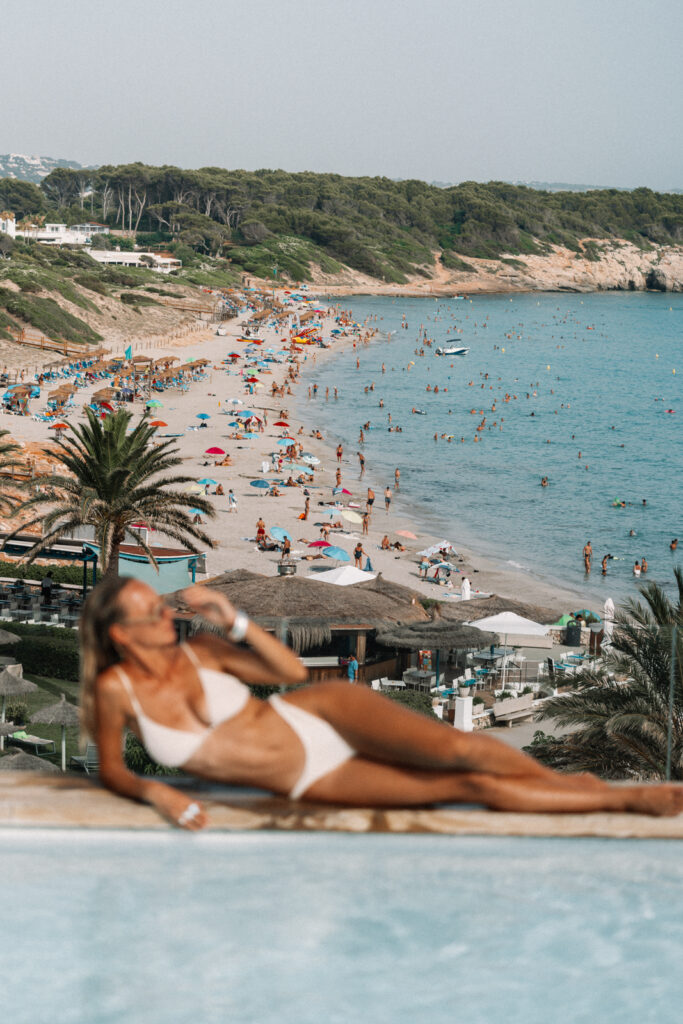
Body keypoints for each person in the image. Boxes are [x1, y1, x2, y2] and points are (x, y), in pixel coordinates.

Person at [81, 578, 683, 829]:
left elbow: (288, 672)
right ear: (120, 633)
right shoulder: (116, 692)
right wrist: (156, 790)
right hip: (309, 775)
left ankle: (620, 796)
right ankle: (591, 790)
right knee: (464, 786)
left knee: (460, 747)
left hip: (316, 710)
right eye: (151, 612)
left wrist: (232, 618)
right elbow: (112, 770)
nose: (165, 614)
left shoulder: (204, 652)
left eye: (163, 605)